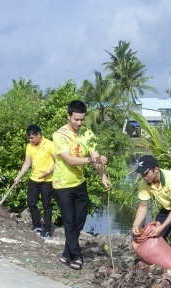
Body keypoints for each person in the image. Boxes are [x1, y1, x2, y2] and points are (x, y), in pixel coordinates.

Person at [52, 100, 110, 270]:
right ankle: (77, 256)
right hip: (62, 184)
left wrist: (103, 176)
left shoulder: (88, 134)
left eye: (82, 120)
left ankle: (66, 254)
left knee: (79, 220)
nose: (79, 123)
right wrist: (91, 160)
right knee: (69, 221)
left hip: (79, 183)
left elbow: (96, 156)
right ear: (69, 116)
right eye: (76, 119)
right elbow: (70, 159)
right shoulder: (59, 135)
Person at [13, 125, 56, 238]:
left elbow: (59, 162)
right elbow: (27, 162)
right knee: (31, 203)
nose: (31, 140)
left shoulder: (50, 144)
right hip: (34, 179)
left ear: (39, 135)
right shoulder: (29, 146)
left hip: (47, 180)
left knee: (47, 205)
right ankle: (36, 225)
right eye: (29, 138)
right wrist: (19, 176)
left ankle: (47, 229)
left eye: (32, 138)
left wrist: (48, 172)